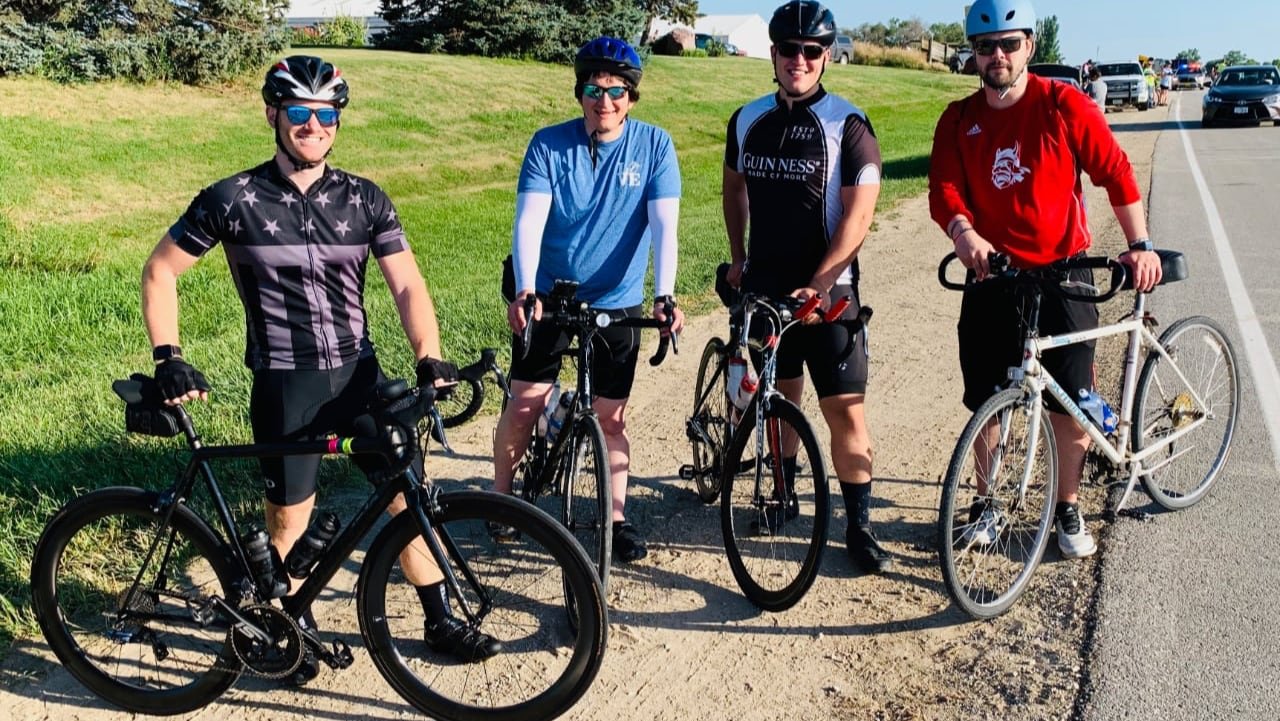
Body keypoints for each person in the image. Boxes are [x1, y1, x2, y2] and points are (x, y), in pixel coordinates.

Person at [140, 55, 501, 682]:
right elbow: (160, 270)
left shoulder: (364, 198)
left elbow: (407, 284)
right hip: (286, 382)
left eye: (326, 114)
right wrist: (168, 358)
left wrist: (429, 355)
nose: (314, 125)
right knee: (289, 517)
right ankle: (288, 624)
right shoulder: (234, 198)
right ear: (273, 115)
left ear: (338, 119)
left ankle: (440, 618)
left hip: (358, 374)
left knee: (404, 494)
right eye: (300, 112)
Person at [927, 0, 1163, 560]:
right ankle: (986, 502)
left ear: (1030, 46)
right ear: (974, 54)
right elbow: (945, 190)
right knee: (988, 394)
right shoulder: (959, 119)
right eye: (986, 47)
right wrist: (964, 236)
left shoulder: (1063, 104)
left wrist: (1139, 245)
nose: (998, 56)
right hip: (992, 272)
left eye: (1009, 43)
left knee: (1071, 399)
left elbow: (1115, 171)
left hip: (1064, 269)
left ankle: (1067, 504)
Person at [492, 37, 684, 563]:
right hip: (549, 292)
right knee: (526, 402)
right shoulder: (549, 145)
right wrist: (527, 288)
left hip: (617, 298)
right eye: (594, 90)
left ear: (632, 96)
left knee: (610, 419)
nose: (605, 101)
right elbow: (529, 221)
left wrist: (664, 295)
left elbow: (665, 226)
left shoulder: (655, 147)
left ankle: (616, 518)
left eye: (617, 91)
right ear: (579, 93)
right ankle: (502, 501)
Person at [722, 0, 890, 574]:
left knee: (845, 410)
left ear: (826, 57)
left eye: (810, 51)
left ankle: (860, 523)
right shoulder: (746, 119)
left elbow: (860, 216)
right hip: (768, 290)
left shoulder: (849, 124)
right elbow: (733, 191)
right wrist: (739, 258)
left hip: (830, 296)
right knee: (777, 401)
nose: (798, 60)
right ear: (772, 54)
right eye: (788, 49)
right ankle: (783, 492)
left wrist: (820, 282)